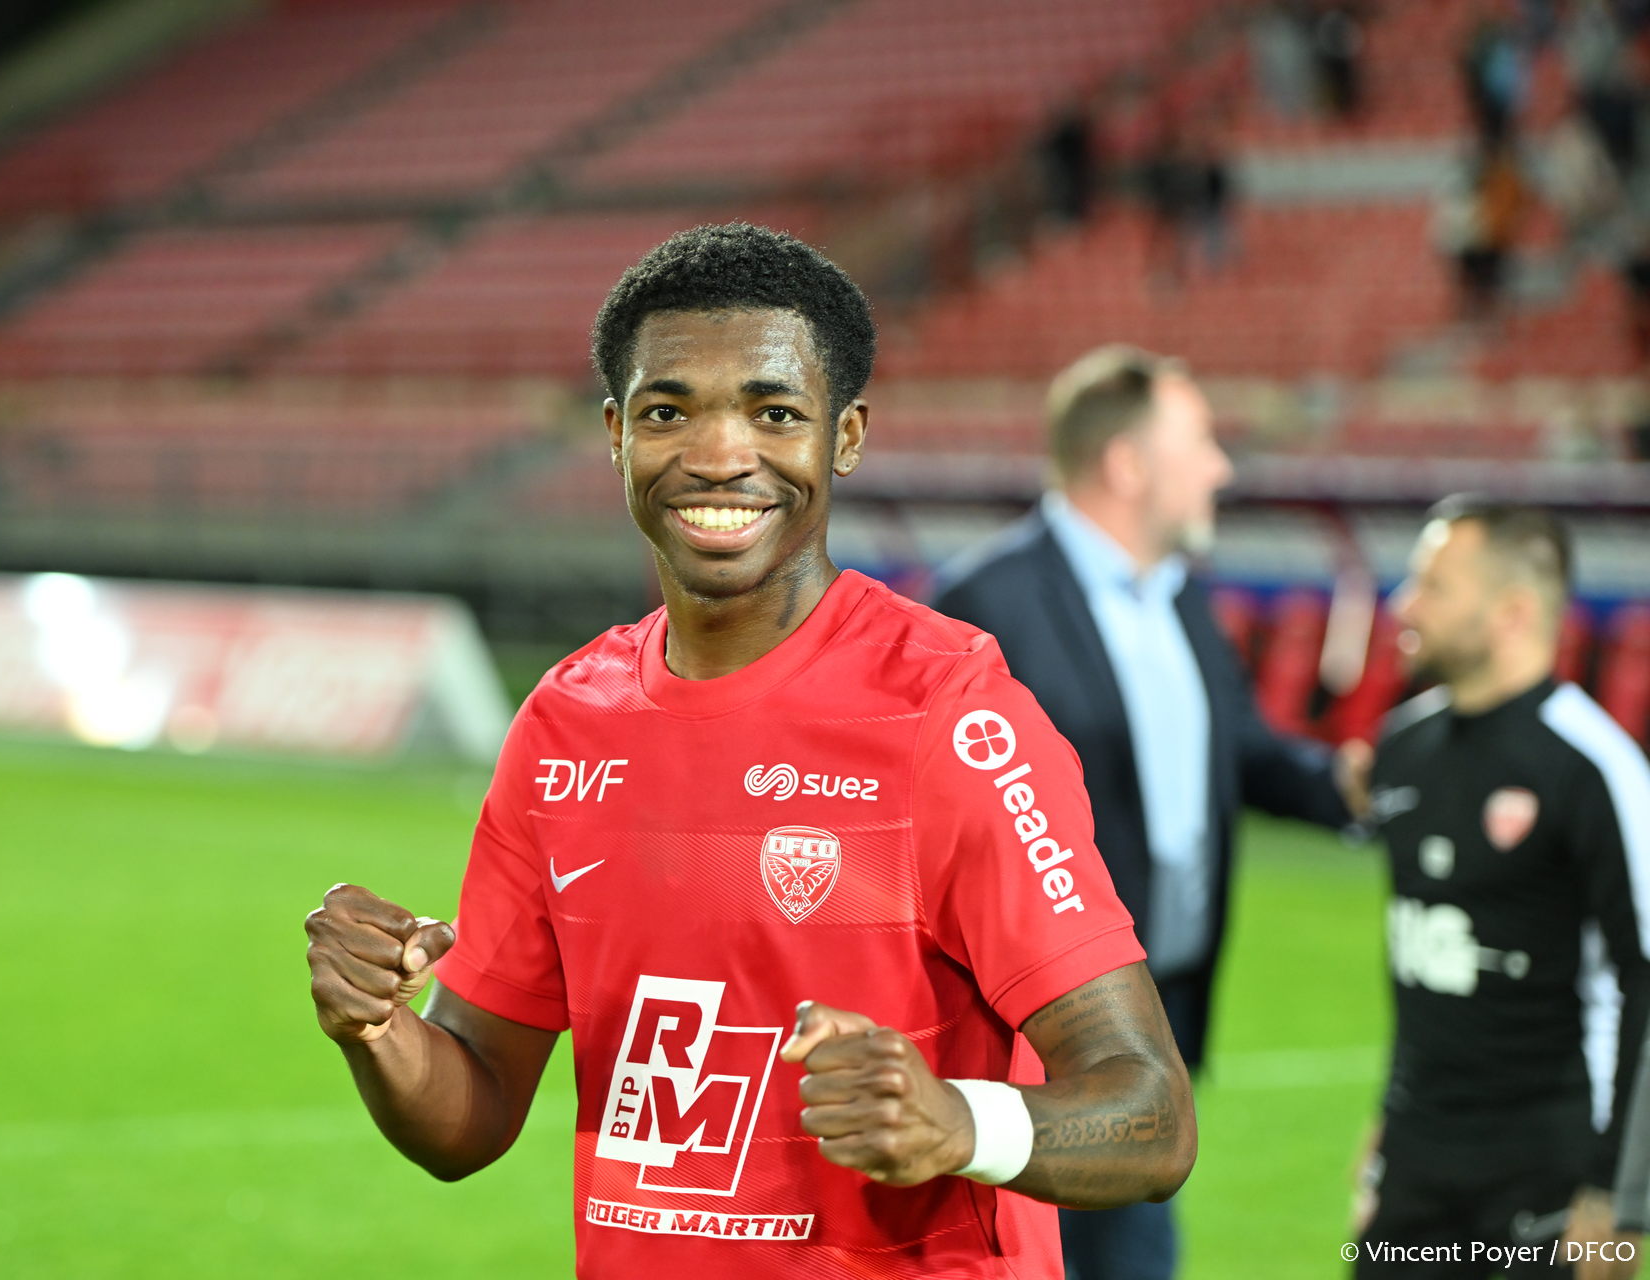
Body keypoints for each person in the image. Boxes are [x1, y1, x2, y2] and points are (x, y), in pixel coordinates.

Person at [303, 225, 1196, 1278]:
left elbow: (1151, 1112)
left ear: (845, 436)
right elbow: (473, 1110)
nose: (719, 455)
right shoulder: (563, 725)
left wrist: (961, 1123)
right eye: (667, 412)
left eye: (774, 412)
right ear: (615, 434)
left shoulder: (949, 715)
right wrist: (377, 1027)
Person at [931, 345, 1359, 1280]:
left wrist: (1343, 786)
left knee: (1132, 1242)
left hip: (1160, 1017)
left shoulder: (1182, 598)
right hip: (1040, 1029)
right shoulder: (986, 604)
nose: (1221, 468)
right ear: (1127, 463)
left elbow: (1239, 748)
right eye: (1199, 442)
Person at [1351, 497, 1650, 1278]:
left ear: (1514, 611)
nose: (1403, 605)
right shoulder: (1404, 746)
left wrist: (1619, 1193)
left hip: (1547, 1164)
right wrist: (1386, 1130)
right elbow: (1421, 960)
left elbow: (1645, 980)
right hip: (1417, 1154)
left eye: (1434, 586)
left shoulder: (1595, 767)